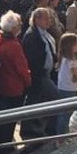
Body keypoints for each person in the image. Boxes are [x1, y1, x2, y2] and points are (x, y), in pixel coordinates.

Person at [0, 11, 31, 154]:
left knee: (4, 119)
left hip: (2, 84)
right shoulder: (13, 45)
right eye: (19, 25)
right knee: (10, 121)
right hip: (14, 87)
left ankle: (1, 147)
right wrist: (28, 81)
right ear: (13, 28)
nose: (21, 27)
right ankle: (5, 150)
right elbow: (21, 68)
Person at [21, 8, 58, 141]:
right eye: (46, 18)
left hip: (47, 73)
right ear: (37, 20)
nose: (49, 21)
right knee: (56, 98)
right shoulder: (32, 36)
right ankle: (50, 130)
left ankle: (33, 129)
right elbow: (33, 60)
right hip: (39, 76)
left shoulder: (44, 33)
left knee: (33, 101)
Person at [56, 33, 77, 136]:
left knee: (63, 112)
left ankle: (61, 134)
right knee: (66, 114)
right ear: (71, 46)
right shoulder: (72, 61)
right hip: (69, 89)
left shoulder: (63, 58)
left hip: (62, 87)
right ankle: (60, 137)